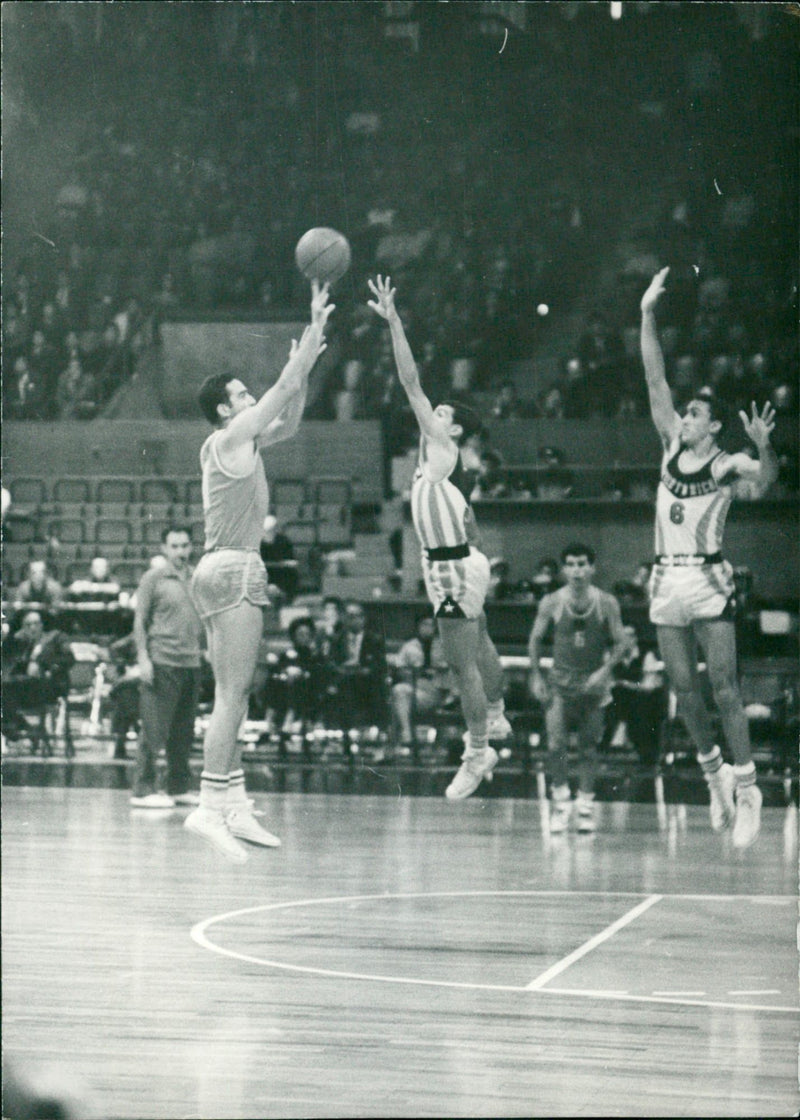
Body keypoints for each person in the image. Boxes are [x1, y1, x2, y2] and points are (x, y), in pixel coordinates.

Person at [185, 279, 333, 861]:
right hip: (234, 569)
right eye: (241, 394)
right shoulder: (227, 437)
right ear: (225, 408)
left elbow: (288, 420)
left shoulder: (241, 444)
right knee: (233, 693)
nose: (250, 400)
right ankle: (208, 804)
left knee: (233, 693)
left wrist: (304, 368)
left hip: (218, 570)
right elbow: (280, 392)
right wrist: (311, 335)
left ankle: (234, 800)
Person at [640, 266, 778, 849]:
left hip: (706, 579)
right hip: (664, 581)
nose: (685, 417)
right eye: (686, 412)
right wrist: (646, 313)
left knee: (723, 686)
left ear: (714, 426)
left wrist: (766, 448)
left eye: (696, 414)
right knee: (683, 690)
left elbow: (766, 484)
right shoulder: (671, 443)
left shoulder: (726, 464)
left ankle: (749, 788)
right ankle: (715, 776)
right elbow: (654, 376)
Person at [367, 275, 511, 800]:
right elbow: (465, 519)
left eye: (444, 414)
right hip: (453, 561)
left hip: (450, 566)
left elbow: (410, 381)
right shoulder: (445, 466)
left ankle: (477, 752)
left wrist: (394, 322)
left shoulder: (442, 449)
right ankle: (495, 715)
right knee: (483, 643)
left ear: (452, 431)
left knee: (459, 663)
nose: (434, 412)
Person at [527, 543, 630, 833]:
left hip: (592, 683)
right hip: (560, 682)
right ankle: (561, 803)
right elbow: (535, 640)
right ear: (563, 569)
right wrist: (536, 675)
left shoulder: (607, 602)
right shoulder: (551, 601)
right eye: (570, 564)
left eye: (582, 564)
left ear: (592, 568)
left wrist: (605, 671)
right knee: (556, 745)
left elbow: (622, 642)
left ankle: (585, 806)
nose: (577, 570)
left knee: (588, 747)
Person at [129, 526, 204, 809]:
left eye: (185, 545)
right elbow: (140, 621)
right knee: (154, 728)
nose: (180, 552)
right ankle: (143, 788)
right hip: (162, 662)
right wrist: (143, 658)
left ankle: (177, 786)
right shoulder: (153, 578)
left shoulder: (198, 578)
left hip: (192, 663)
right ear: (164, 548)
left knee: (184, 731)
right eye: (174, 546)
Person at [1, 610, 75, 742]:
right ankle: (28, 729)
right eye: (28, 625)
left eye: (35, 623)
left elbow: (69, 659)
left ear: (42, 625)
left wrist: (50, 667)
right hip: (26, 689)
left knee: (5, 689)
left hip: (52, 687)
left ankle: (16, 729)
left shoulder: (56, 637)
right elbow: (13, 669)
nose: (32, 628)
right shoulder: (22, 644)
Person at [390, 610, 452, 756]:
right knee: (399, 691)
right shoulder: (409, 647)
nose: (428, 628)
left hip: (436, 693)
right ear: (418, 626)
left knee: (398, 700)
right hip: (413, 689)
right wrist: (411, 672)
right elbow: (399, 668)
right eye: (424, 624)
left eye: (431, 625)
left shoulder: (445, 646)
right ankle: (406, 735)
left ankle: (394, 746)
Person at [327, 600, 389, 731]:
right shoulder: (336, 639)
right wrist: (341, 669)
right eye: (350, 616)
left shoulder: (374, 640)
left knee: (377, 691)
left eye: (358, 616)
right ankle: (344, 733)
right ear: (344, 618)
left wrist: (366, 670)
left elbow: (380, 664)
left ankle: (376, 731)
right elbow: (330, 662)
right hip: (344, 679)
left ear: (364, 619)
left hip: (368, 681)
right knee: (341, 690)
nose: (354, 620)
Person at [259, 514, 299, 602]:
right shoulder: (258, 543)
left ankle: (285, 597)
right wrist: (280, 564)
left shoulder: (284, 541)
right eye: (266, 531)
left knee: (291, 575)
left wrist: (282, 564)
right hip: (264, 576)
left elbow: (292, 561)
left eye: (271, 531)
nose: (269, 534)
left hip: (281, 575)